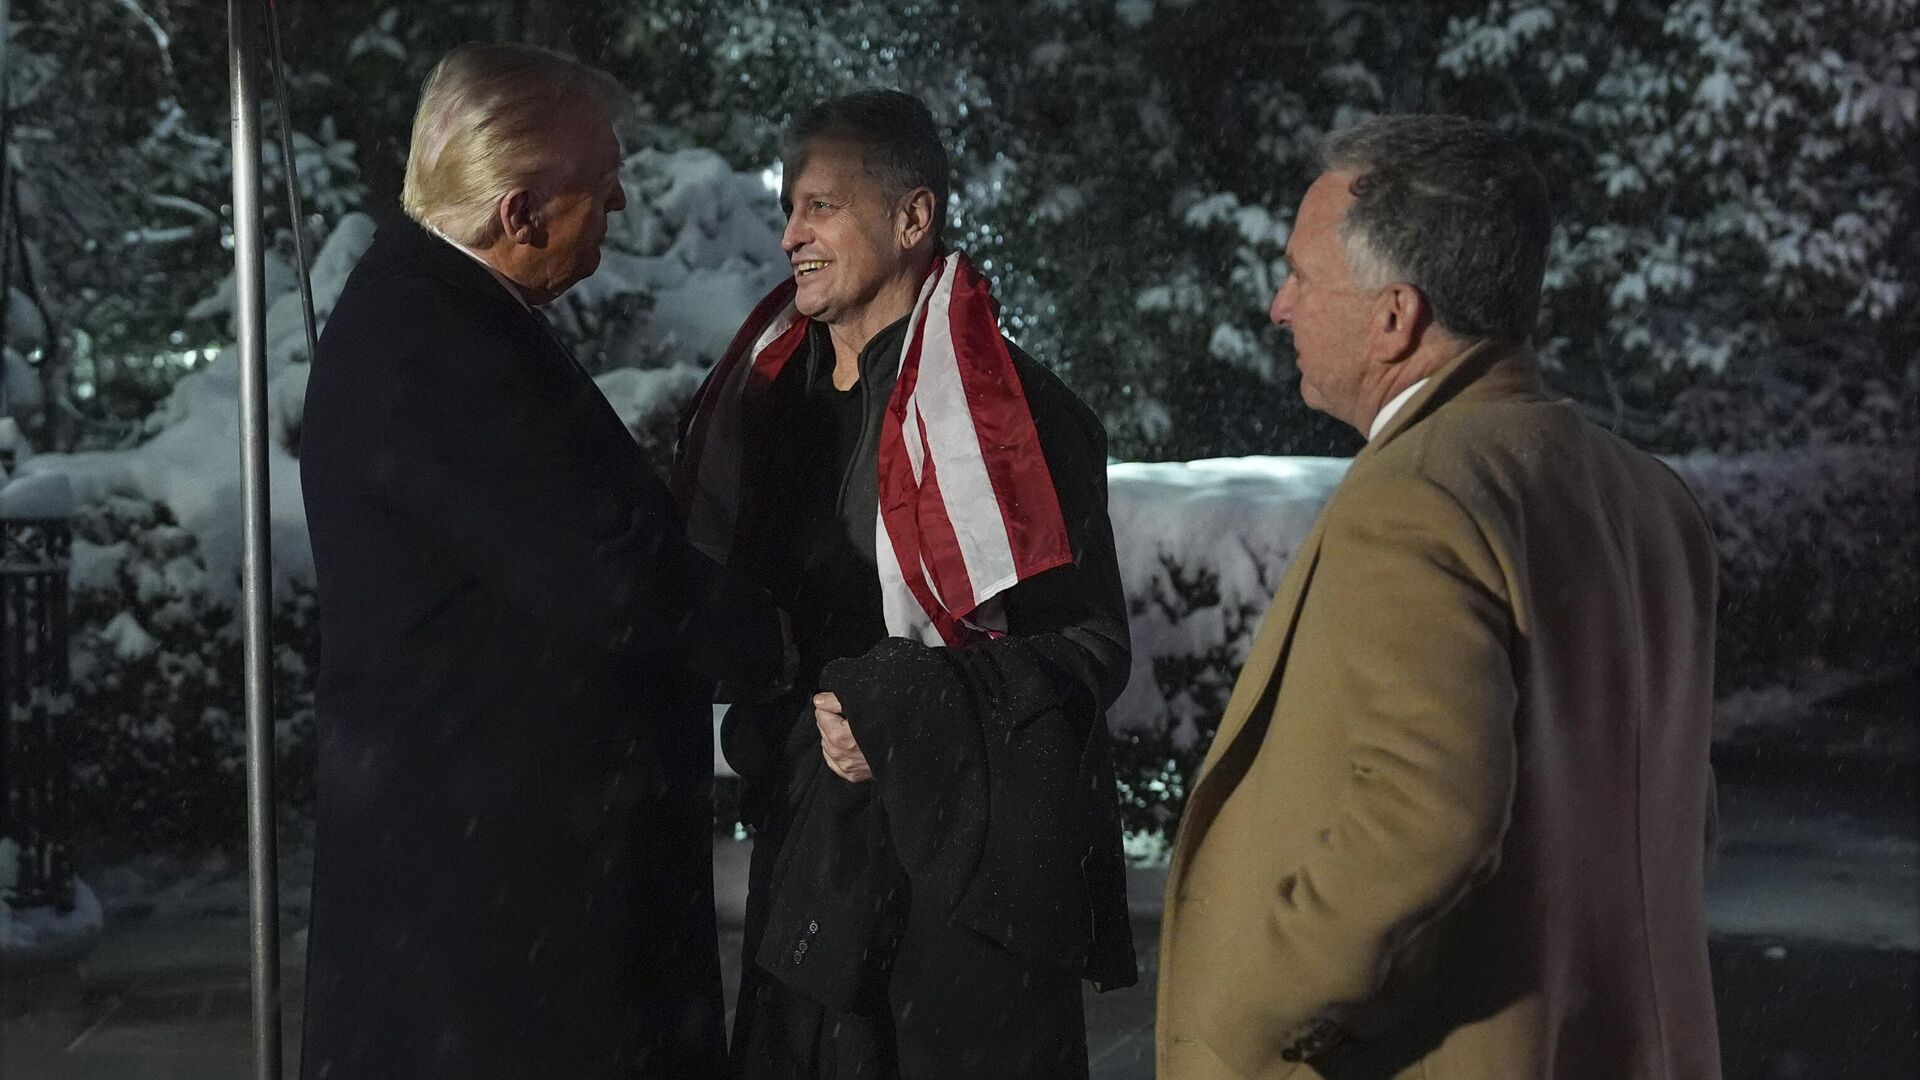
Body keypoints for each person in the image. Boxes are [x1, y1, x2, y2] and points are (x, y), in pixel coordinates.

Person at [1156, 115, 1722, 1080]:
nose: (1279, 306)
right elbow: (1678, 814)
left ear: (1395, 317)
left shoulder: (1417, 493)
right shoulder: (1650, 495)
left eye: (1301, 276)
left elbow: (1427, 814)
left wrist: (1250, 1006)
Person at [299, 43, 789, 1080]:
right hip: (499, 912)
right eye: (599, 185)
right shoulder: (432, 342)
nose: (619, 202)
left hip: (498, 884)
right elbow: (606, 573)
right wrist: (789, 644)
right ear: (519, 213)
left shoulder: (441, 310)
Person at [673, 89, 1136, 1080]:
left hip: (960, 902)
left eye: (822, 207)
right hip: (813, 879)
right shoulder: (767, 411)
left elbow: (1090, 651)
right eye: (789, 209)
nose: (791, 235)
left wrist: (902, 710)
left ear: (913, 217)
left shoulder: (1016, 418)